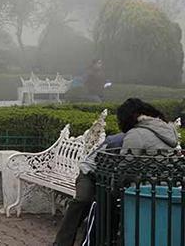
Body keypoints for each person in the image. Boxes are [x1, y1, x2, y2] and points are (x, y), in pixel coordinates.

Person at [53, 98, 180, 246]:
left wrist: (116, 189)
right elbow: (114, 167)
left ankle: (97, 241)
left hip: (111, 179)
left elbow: (127, 169)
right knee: (84, 200)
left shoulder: (144, 135)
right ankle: (63, 242)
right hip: (90, 173)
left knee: (108, 206)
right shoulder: (126, 138)